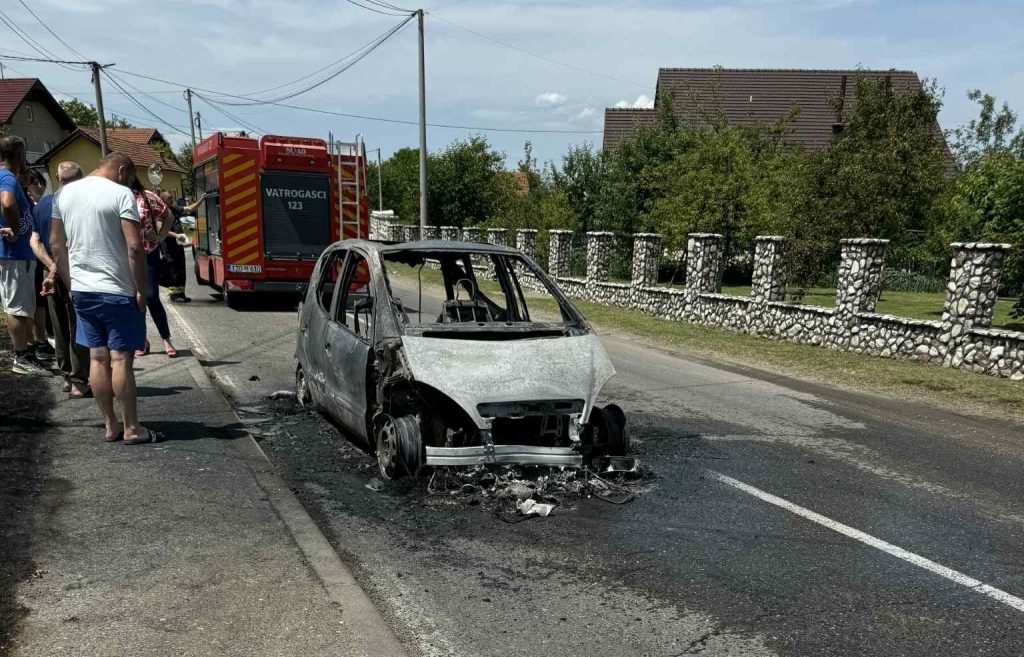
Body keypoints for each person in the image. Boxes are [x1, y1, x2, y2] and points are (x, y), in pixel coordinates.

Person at [45, 152, 155, 444]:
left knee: (97, 357)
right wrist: (141, 289)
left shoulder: (64, 194)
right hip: (117, 289)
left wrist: (71, 283)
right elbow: (134, 248)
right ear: (122, 171)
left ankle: (111, 425)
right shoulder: (120, 195)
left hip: (82, 290)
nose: (130, 185)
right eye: (130, 179)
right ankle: (132, 428)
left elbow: (57, 244)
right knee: (121, 360)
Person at [34, 161, 91, 397]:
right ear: (80, 179)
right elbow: (69, 243)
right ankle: (79, 380)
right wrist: (59, 267)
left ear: (59, 179)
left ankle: (66, 376)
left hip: (49, 271)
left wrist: (50, 267)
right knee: (77, 325)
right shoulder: (81, 203)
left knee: (58, 327)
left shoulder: (43, 204)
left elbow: (34, 241)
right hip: (73, 270)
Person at [0, 135, 49, 376]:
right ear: (19, 155)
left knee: (23, 307)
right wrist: (17, 230)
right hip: (14, 254)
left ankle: (28, 353)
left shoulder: (10, 177)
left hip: (18, 254)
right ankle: (21, 358)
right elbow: (7, 204)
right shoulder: (6, 176)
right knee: (17, 308)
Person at [131, 179, 177, 357]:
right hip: (126, 256)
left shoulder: (146, 196)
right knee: (134, 300)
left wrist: (161, 235)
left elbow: (168, 215)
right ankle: (141, 339)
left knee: (150, 296)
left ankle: (166, 338)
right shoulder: (115, 196)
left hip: (148, 252)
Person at [24, 169, 56, 365]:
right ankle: (39, 340)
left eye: (42, 183)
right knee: (37, 300)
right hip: (34, 257)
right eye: (35, 183)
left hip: (42, 258)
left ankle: (44, 337)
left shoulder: (42, 204)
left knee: (42, 301)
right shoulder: (30, 205)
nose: (40, 186)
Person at [159, 190, 204, 303]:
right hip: (169, 246)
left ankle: (181, 294)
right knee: (173, 268)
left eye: (172, 196)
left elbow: (189, 209)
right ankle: (174, 295)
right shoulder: (160, 212)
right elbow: (161, 229)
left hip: (179, 244)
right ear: (163, 199)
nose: (172, 198)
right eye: (169, 197)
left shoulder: (174, 208)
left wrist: (201, 200)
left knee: (181, 268)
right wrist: (176, 235)